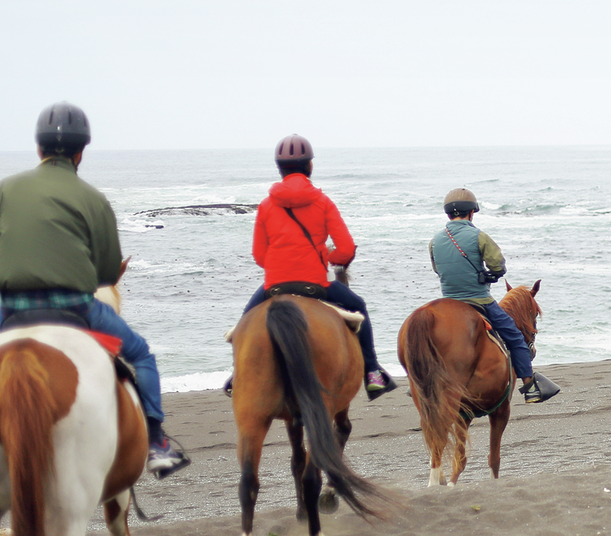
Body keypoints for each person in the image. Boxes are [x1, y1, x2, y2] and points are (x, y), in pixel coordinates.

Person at [0, 102, 190, 477]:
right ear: (80, 153)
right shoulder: (93, 198)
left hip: (12, 309)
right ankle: (157, 443)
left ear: (39, 149)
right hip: (76, 308)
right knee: (141, 356)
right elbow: (108, 272)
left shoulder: (3, 190)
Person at [233, 135, 396, 400]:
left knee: (244, 325)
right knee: (359, 307)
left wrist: (280, 263)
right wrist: (327, 255)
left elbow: (259, 256)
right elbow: (345, 249)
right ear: (309, 166)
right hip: (315, 284)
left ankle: (237, 374)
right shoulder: (322, 203)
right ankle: (372, 372)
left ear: (279, 168)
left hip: (273, 286)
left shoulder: (265, 206)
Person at [429, 188, 559, 403]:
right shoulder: (478, 236)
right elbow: (497, 264)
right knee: (516, 338)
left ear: (448, 214)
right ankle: (530, 387)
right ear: (471, 212)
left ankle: (425, 380)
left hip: (448, 303)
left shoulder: (435, 240)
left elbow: (437, 269)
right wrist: (493, 275)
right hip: (479, 300)